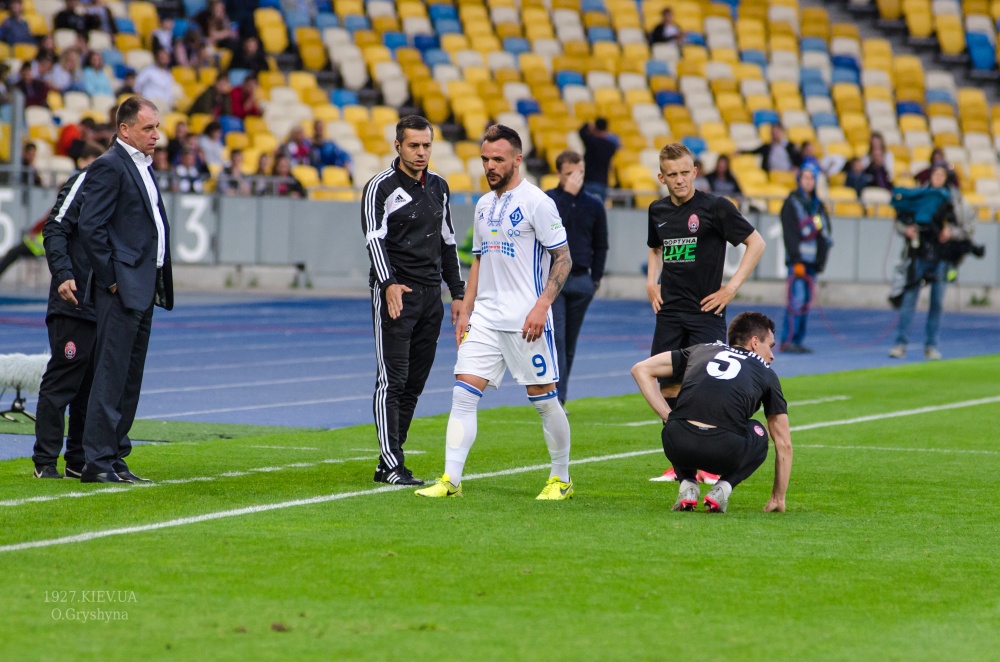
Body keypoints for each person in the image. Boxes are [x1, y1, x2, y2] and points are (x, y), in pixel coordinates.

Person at [415, 124, 574, 500]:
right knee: (463, 394)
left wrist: (542, 305)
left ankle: (561, 479)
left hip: (526, 319)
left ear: (517, 160)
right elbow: (480, 260)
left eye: (498, 159)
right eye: (485, 159)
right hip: (485, 317)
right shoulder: (484, 205)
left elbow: (564, 258)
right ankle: (451, 480)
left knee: (544, 399)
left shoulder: (537, 202)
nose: (489, 166)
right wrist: (465, 310)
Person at [646, 142, 766, 483]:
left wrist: (730, 288)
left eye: (685, 172)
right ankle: (682, 464)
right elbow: (656, 248)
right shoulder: (657, 210)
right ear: (662, 178)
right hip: (670, 313)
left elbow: (757, 243)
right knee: (669, 390)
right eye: (672, 175)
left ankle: (710, 465)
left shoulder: (716, 207)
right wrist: (651, 282)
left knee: (709, 389)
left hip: (705, 313)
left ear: (695, 172)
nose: (680, 180)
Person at [361, 115, 466, 486]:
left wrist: (458, 293)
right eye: (414, 145)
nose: (421, 152)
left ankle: (389, 460)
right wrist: (388, 283)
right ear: (398, 146)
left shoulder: (439, 186)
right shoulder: (380, 187)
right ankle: (392, 463)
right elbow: (373, 239)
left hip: (431, 296)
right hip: (397, 294)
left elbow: (448, 242)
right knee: (392, 380)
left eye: (426, 145)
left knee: (414, 382)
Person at [76, 96, 174, 483]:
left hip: (143, 285)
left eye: (157, 127)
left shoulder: (142, 165)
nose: (156, 135)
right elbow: (90, 226)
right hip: (121, 288)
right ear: (125, 129)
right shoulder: (110, 165)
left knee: (129, 377)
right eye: (148, 128)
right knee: (111, 374)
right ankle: (96, 462)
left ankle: (116, 456)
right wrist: (111, 279)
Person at [631, 311, 793, 513]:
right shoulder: (767, 373)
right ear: (754, 342)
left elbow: (640, 369)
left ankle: (687, 484)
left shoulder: (701, 350)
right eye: (770, 346)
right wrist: (778, 497)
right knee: (760, 431)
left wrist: (667, 416)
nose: (772, 355)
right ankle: (723, 487)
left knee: (678, 416)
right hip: (724, 452)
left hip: (678, 443)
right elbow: (784, 444)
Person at [31, 144, 104, 479]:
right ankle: (45, 461)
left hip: (102, 304)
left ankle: (77, 460)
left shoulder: (120, 188)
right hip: (73, 300)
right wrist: (63, 274)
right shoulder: (85, 181)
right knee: (63, 380)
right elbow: (54, 227)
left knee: (90, 387)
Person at [545, 149, 608, 407]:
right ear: (559, 173)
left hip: (582, 280)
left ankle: (561, 396)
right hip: (554, 279)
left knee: (569, 344)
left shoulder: (594, 204)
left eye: (579, 173)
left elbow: (601, 244)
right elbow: (555, 229)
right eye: (570, 174)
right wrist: (569, 197)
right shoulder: (548, 200)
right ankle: (555, 398)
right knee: (557, 339)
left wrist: (595, 280)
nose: (576, 179)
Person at [887, 165, 954, 360]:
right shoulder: (919, 196)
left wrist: (951, 232)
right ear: (930, 176)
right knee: (909, 299)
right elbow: (901, 220)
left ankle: (931, 346)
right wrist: (906, 230)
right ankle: (901, 344)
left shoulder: (952, 199)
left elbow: (963, 225)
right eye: (936, 174)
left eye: (942, 174)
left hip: (941, 255)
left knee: (937, 302)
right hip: (918, 253)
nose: (938, 177)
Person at [779, 164, 832, 354]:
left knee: (806, 301)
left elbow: (824, 233)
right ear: (799, 180)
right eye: (805, 178)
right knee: (797, 300)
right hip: (798, 262)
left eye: (812, 178)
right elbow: (790, 234)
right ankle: (788, 340)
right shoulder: (791, 203)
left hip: (812, 263)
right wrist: (796, 260)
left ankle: (798, 340)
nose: (809, 182)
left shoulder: (818, 206)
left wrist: (820, 261)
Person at [578, 118, 619, 201]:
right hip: (602, 182)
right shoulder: (611, 146)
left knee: (585, 206)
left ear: (595, 128)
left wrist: (589, 126)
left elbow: (581, 132)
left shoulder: (591, 141)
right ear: (607, 128)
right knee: (599, 206)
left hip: (588, 180)